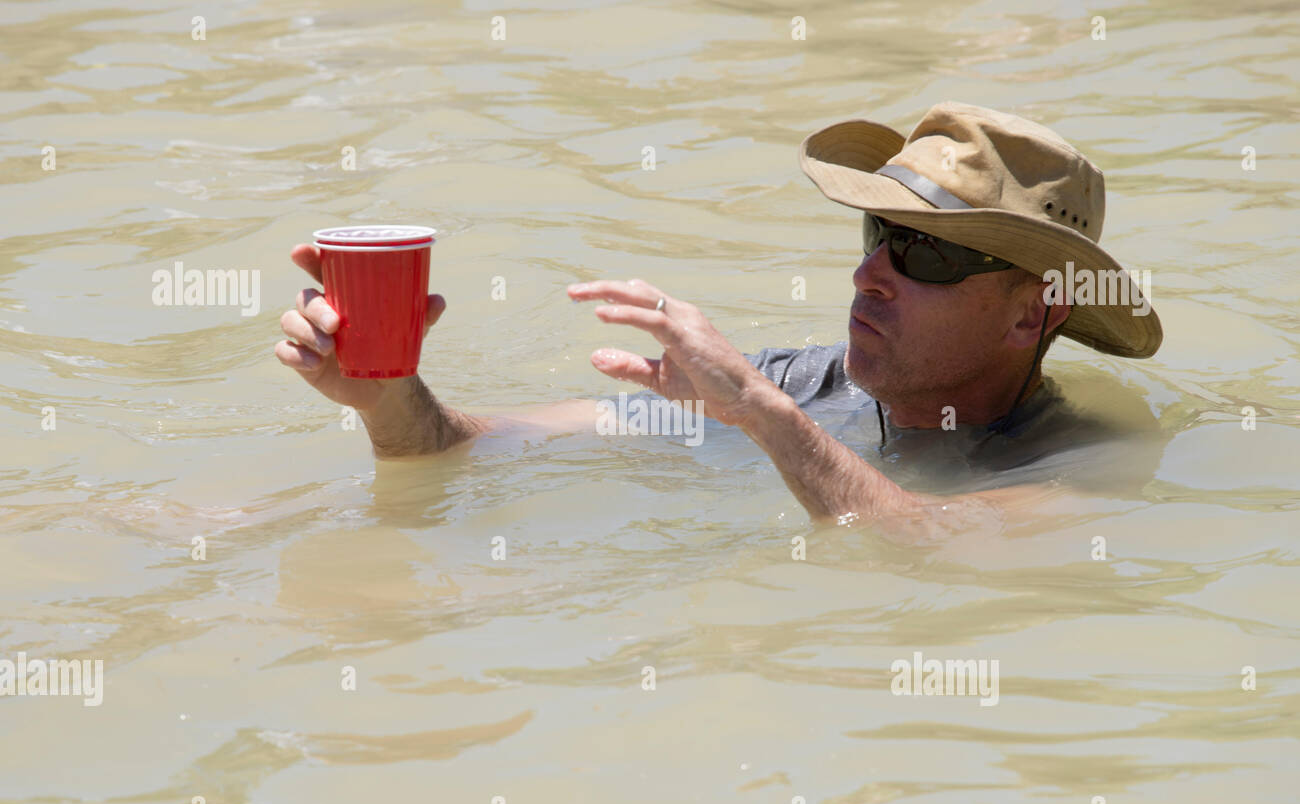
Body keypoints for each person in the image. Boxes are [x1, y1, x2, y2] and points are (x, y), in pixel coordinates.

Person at [275, 102, 1161, 536]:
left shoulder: (1087, 462)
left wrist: (757, 413)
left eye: (925, 254)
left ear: (1031, 314)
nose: (868, 272)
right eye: (876, 231)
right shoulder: (799, 385)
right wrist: (384, 394)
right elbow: (468, 445)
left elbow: (923, 545)